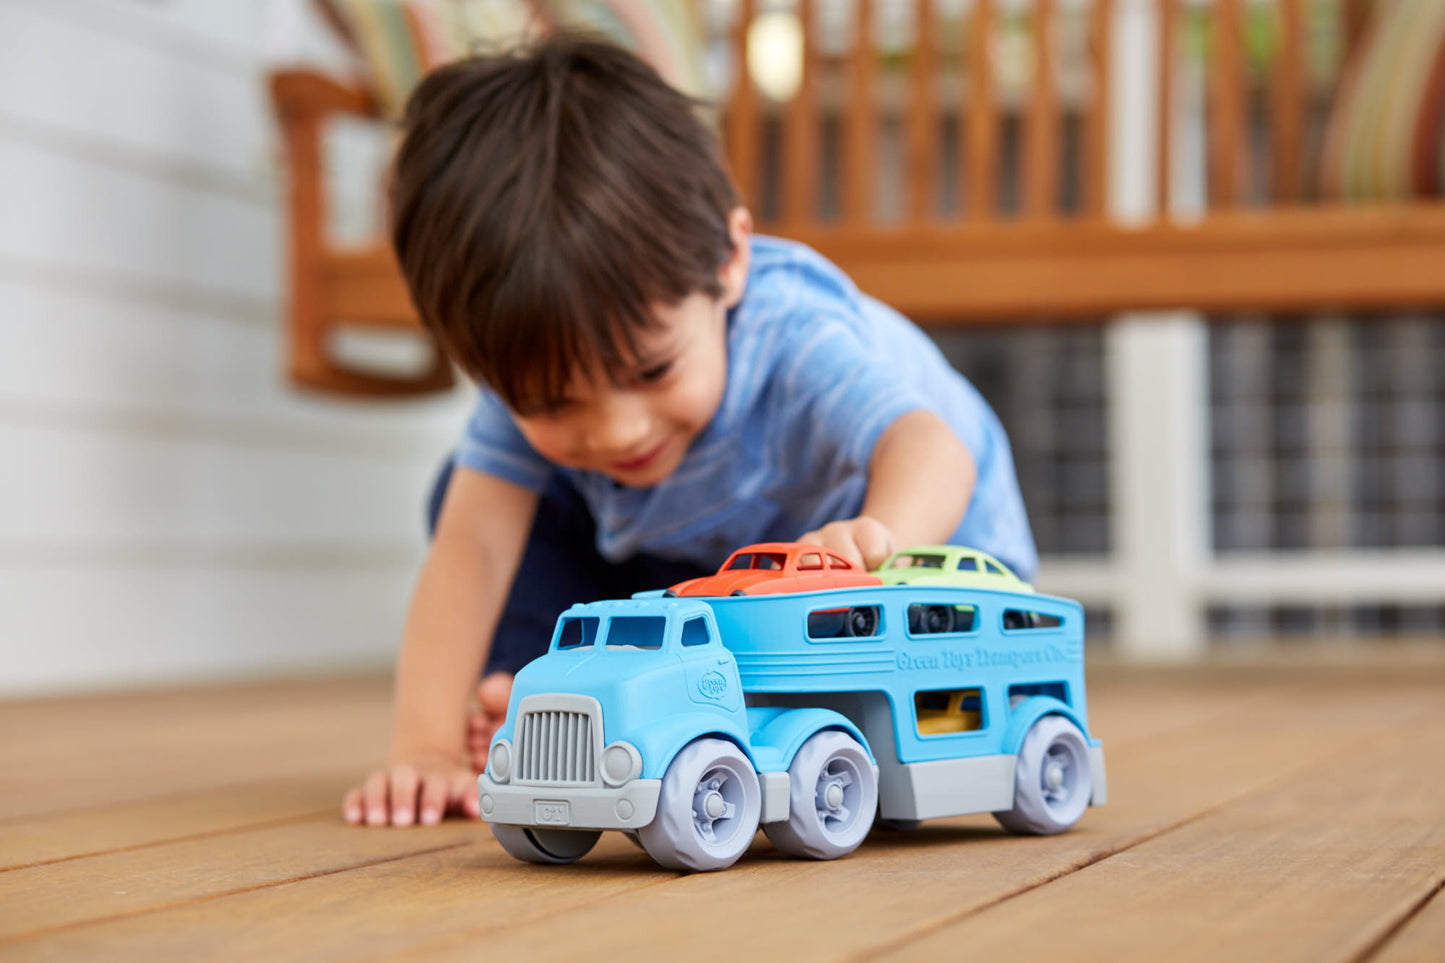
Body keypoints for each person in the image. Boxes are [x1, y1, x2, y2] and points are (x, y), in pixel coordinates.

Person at [342, 34, 1036, 827]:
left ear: (729, 261)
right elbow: (473, 548)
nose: (614, 428)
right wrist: (421, 745)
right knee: (472, 498)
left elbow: (932, 448)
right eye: (550, 403)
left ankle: (559, 695)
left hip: (920, 575)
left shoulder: (794, 335)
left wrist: (876, 547)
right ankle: (551, 693)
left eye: (651, 371)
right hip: (720, 574)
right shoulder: (537, 354)